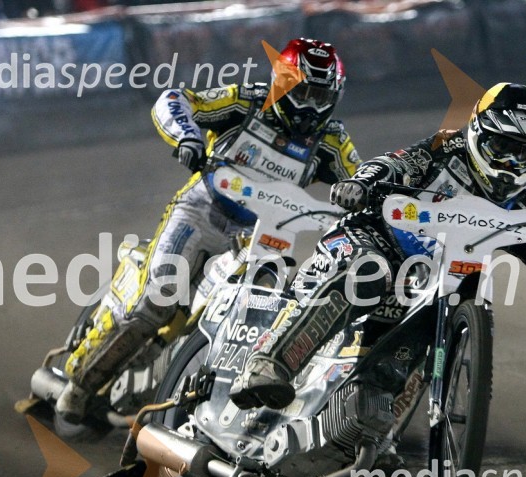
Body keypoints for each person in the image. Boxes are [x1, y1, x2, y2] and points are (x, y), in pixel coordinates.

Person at [229, 82, 526, 410]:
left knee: (456, 301)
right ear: (478, 131)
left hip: (428, 280)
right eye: (501, 146)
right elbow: (392, 163)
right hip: (375, 238)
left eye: (522, 152)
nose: (509, 161)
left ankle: (377, 418)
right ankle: (269, 364)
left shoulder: (525, 197)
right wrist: (361, 183)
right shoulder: (446, 147)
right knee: (368, 271)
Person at [57, 38, 361, 422]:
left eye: (320, 94)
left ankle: (192, 394)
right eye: (302, 91)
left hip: (259, 235)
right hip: (201, 210)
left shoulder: (331, 139)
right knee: (156, 298)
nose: (310, 104)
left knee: (250, 307)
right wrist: (186, 135)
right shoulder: (245, 101)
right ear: (282, 83)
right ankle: (79, 385)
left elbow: (360, 178)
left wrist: (359, 194)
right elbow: (175, 99)